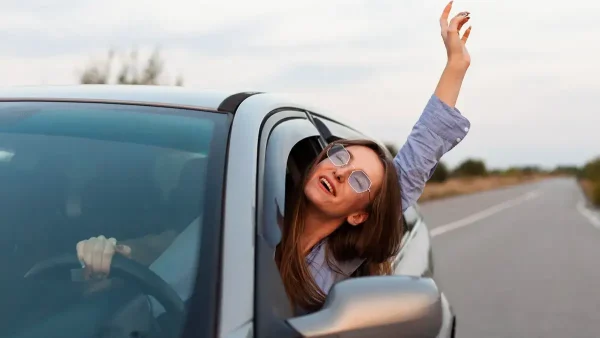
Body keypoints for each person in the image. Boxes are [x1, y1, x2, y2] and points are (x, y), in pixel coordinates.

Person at [75, 1, 472, 314]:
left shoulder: (339, 261)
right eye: (339, 158)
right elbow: (160, 283)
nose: (340, 172)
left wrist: (456, 65)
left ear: (359, 214)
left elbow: (419, 154)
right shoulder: (237, 214)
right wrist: (108, 266)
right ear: (320, 161)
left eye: (358, 181)